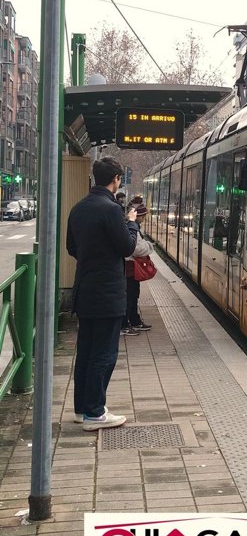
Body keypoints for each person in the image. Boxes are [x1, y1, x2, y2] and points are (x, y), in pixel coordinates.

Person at [67, 156, 139, 431]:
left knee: (85, 352)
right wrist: (131, 222)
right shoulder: (111, 210)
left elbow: (72, 247)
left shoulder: (79, 208)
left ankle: (82, 409)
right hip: (107, 293)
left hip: (84, 290)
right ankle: (96, 413)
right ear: (116, 179)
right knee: (104, 354)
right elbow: (126, 247)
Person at [122, 203, 154, 334]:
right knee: (130, 295)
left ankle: (134, 321)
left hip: (129, 267)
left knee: (133, 295)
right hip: (129, 267)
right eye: (143, 216)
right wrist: (149, 246)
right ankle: (127, 323)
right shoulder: (132, 228)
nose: (144, 218)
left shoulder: (130, 226)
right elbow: (136, 248)